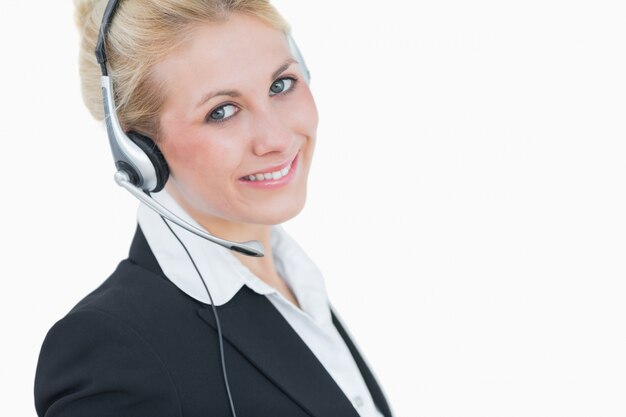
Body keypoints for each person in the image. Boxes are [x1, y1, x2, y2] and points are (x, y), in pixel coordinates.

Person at [34, 1, 393, 416]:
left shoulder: (294, 283)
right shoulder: (113, 350)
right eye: (221, 111)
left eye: (281, 85)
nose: (275, 138)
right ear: (138, 152)